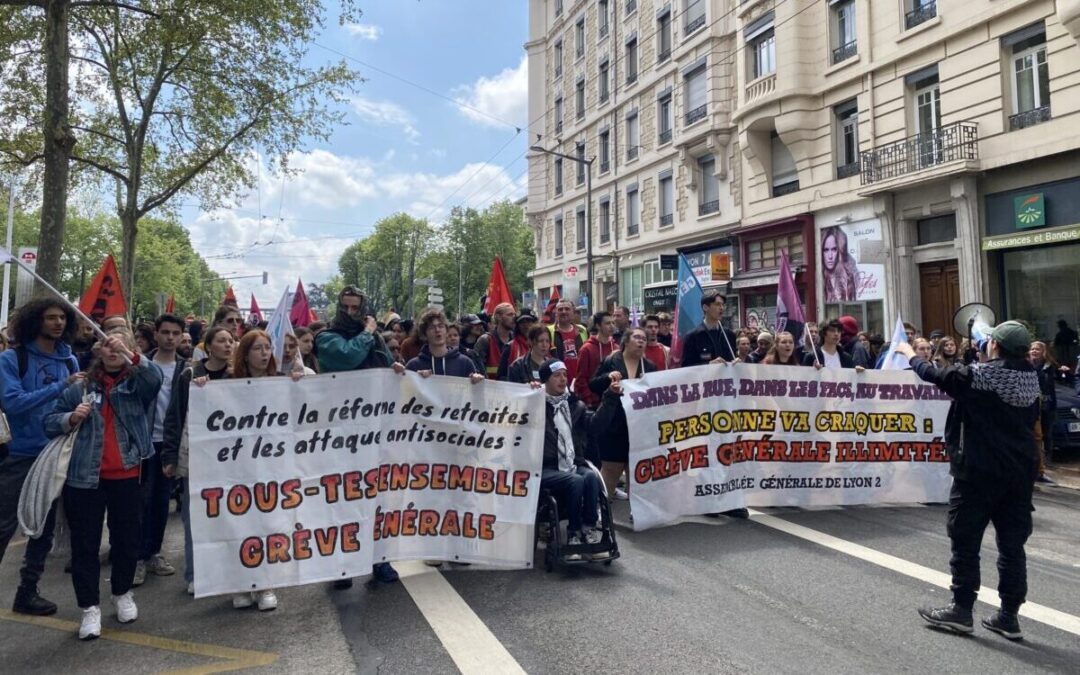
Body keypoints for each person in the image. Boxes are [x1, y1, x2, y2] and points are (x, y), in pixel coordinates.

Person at [899, 321, 1041, 640]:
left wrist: (910, 353)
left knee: (965, 539)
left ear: (996, 346)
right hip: (1019, 472)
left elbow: (937, 375)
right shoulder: (1030, 377)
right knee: (1012, 545)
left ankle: (961, 609)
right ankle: (1008, 615)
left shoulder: (981, 376)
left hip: (978, 470)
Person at [45, 330, 162, 641]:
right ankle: (89, 608)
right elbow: (49, 420)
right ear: (98, 349)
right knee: (85, 545)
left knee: (127, 540)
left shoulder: (136, 383)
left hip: (127, 474)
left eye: (120, 345)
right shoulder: (80, 386)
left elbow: (156, 379)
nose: (114, 350)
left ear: (131, 350)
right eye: (108, 345)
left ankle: (122, 592)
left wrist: (133, 357)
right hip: (84, 478)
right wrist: (70, 418)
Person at [0, 298, 84, 616]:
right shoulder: (12, 359)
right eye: (50, 318)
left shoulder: (70, 361)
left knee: (43, 528)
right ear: (36, 321)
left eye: (62, 318)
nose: (58, 323)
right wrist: (60, 386)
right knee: (4, 525)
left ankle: (27, 592)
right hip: (20, 455)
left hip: (55, 454)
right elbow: (14, 403)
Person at [314, 287, 398, 587]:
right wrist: (369, 332)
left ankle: (380, 560)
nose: (350, 313)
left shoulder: (372, 337)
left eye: (356, 308)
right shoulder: (326, 337)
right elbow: (346, 358)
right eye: (346, 307)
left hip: (374, 429)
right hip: (340, 431)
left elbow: (385, 366)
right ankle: (343, 565)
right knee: (342, 499)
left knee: (378, 497)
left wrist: (396, 368)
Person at [224, 329, 304, 611]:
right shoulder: (226, 384)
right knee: (241, 523)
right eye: (258, 348)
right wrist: (201, 387)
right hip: (238, 467)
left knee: (269, 522)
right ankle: (243, 583)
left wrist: (299, 383)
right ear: (245, 353)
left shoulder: (282, 382)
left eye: (268, 347)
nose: (265, 353)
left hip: (273, 465)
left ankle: (266, 583)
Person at [162, 326, 235, 596]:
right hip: (198, 459)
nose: (228, 345)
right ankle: (194, 574)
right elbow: (175, 416)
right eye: (221, 340)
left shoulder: (238, 375)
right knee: (194, 520)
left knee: (228, 518)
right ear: (208, 346)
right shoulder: (190, 375)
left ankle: (227, 572)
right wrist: (169, 456)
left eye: (231, 340)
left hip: (230, 462)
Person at [133, 314, 187, 587]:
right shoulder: (141, 365)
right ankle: (137, 558)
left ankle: (154, 552)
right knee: (140, 501)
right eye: (164, 332)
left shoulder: (188, 369)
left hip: (169, 446)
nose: (169, 337)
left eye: (175, 333)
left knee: (160, 502)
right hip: (143, 443)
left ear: (181, 337)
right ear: (156, 334)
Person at [538, 359, 604, 558]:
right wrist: (529, 392)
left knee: (591, 476)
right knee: (576, 480)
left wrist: (609, 399)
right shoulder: (535, 404)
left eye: (565, 375)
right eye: (557, 375)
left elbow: (596, 426)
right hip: (546, 467)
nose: (562, 379)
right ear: (545, 380)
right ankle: (573, 533)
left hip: (571, 462)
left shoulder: (575, 405)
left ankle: (588, 527)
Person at [589, 328, 656, 500]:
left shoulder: (649, 366)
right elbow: (593, 385)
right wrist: (607, 377)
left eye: (644, 339)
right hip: (614, 426)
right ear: (626, 341)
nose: (641, 341)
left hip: (638, 427)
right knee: (611, 471)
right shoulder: (611, 361)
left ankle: (638, 512)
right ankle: (600, 513)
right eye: (637, 337)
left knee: (637, 471)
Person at [405, 309, 483, 380]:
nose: (437, 330)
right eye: (432, 327)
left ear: (447, 331)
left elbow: (475, 394)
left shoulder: (465, 363)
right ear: (424, 334)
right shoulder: (413, 366)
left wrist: (477, 382)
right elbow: (405, 393)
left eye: (440, 326)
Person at [574, 311, 618, 410]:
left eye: (613, 323)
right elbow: (581, 378)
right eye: (607, 323)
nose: (611, 326)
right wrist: (589, 399)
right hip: (595, 404)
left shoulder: (616, 348)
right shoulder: (587, 349)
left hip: (614, 401)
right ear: (598, 326)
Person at [680, 291, 737, 367]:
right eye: (717, 304)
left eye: (723, 305)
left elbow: (733, 359)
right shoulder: (692, 337)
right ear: (705, 307)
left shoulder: (729, 335)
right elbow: (686, 367)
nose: (722, 308)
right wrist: (708, 365)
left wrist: (738, 364)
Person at [1028, 341, 1058, 478]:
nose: (1034, 351)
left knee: (1047, 433)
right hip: (1033, 405)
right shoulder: (1026, 366)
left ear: (1043, 352)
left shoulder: (1049, 366)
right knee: (1037, 435)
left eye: (1037, 349)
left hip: (1047, 403)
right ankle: (1039, 465)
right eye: (1032, 349)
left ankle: (1047, 460)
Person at [547, 300, 588, 384]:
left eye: (567, 309)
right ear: (556, 313)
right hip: (557, 383)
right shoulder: (548, 331)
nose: (564, 312)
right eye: (560, 309)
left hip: (580, 381)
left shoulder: (582, 330)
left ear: (573, 312)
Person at [474, 303, 516, 379]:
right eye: (510, 315)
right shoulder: (485, 340)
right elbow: (477, 368)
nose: (513, 318)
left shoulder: (516, 341)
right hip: (490, 387)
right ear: (498, 317)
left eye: (514, 315)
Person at [821, 226, 857, 303]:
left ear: (839, 251)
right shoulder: (821, 279)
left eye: (834, 249)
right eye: (826, 250)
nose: (830, 256)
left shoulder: (847, 278)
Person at [496, 313, 536, 380]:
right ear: (518, 326)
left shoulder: (542, 345)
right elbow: (501, 375)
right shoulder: (509, 347)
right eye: (522, 323)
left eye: (529, 322)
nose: (526, 325)